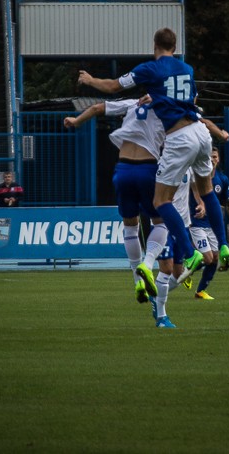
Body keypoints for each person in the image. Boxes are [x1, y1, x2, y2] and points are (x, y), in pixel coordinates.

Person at [78, 28, 229, 327]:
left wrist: (89, 80)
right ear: (175, 46)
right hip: (200, 134)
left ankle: (186, 254)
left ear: (155, 46)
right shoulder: (186, 68)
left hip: (175, 139)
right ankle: (223, 246)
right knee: (207, 192)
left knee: (159, 202)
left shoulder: (149, 69)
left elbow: (111, 88)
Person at [64, 98, 170, 305]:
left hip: (123, 168)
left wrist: (75, 121)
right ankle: (147, 265)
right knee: (161, 221)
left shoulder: (132, 103)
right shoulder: (166, 105)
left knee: (130, 226)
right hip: (148, 168)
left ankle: (137, 281)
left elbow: (95, 107)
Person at [188, 146, 229, 300]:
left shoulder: (222, 179)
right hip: (197, 223)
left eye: (214, 157)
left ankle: (200, 291)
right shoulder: (196, 176)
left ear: (218, 160)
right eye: (209, 157)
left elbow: (228, 202)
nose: (212, 160)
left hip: (212, 225)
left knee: (214, 259)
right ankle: (186, 269)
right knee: (207, 258)